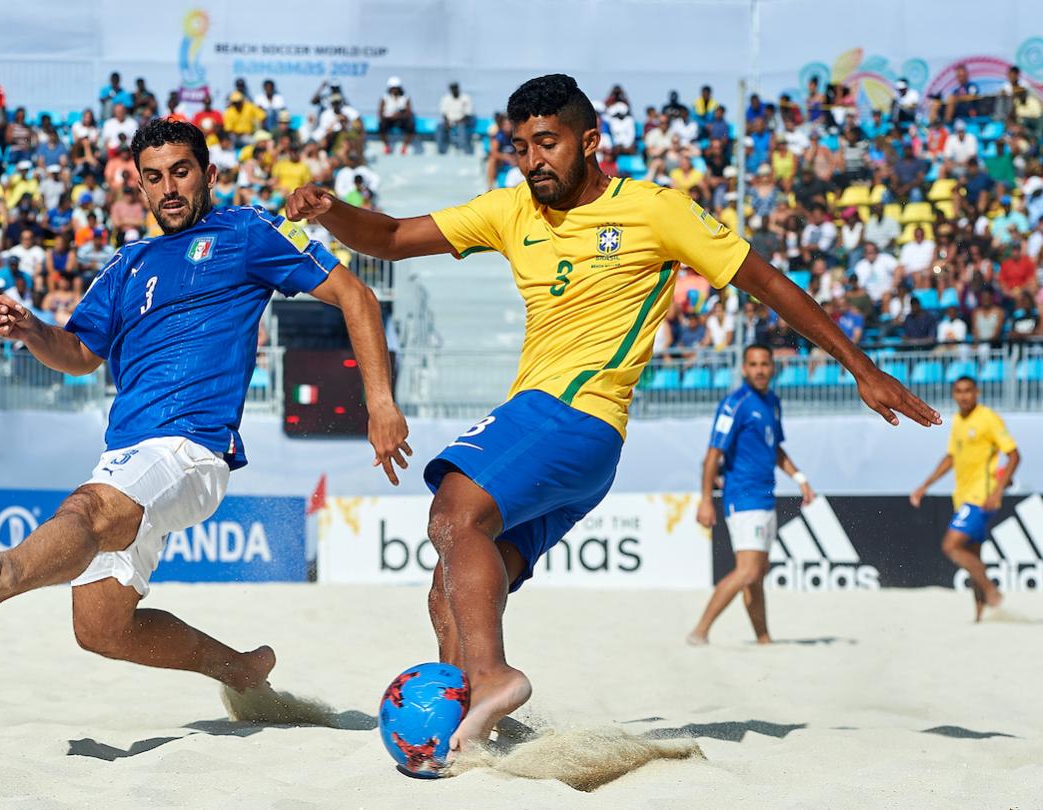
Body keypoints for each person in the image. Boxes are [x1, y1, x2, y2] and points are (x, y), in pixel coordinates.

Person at [286, 73, 938, 752]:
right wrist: (331, 209)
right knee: (449, 582)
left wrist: (860, 366)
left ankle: (491, 676)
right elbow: (392, 237)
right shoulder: (511, 210)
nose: (532, 160)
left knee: (453, 512)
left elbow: (766, 281)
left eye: (547, 142)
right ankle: (470, 731)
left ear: (590, 140)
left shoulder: (655, 210)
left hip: (575, 413)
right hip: (572, 441)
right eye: (520, 147)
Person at [0, 119, 411, 703]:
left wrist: (379, 403)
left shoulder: (248, 229)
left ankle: (2, 574)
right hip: (126, 454)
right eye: (154, 177)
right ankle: (239, 670)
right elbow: (79, 354)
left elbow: (356, 295)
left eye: (181, 172)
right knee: (100, 628)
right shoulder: (127, 263)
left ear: (209, 174)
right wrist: (33, 331)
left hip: (191, 448)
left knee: (86, 508)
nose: (169, 188)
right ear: (140, 185)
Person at [687, 344, 814, 645]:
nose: (759, 370)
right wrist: (705, 500)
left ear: (773, 368)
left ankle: (763, 639)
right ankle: (700, 632)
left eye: (764, 364)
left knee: (757, 575)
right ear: (744, 369)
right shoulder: (735, 403)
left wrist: (800, 479)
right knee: (747, 571)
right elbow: (712, 455)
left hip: (765, 497)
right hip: (743, 497)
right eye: (753, 365)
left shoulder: (772, 403)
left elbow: (775, 449)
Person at [910, 377, 1020, 620]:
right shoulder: (958, 420)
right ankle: (979, 617)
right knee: (972, 556)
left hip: (981, 498)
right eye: (958, 391)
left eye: (968, 391)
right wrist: (924, 486)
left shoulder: (988, 418)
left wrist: (998, 490)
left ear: (977, 392)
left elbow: (1014, 455)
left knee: (951, 546)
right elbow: (951, 458)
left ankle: (992, 592)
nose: (963, 396)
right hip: (963, 497)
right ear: (953, 395)